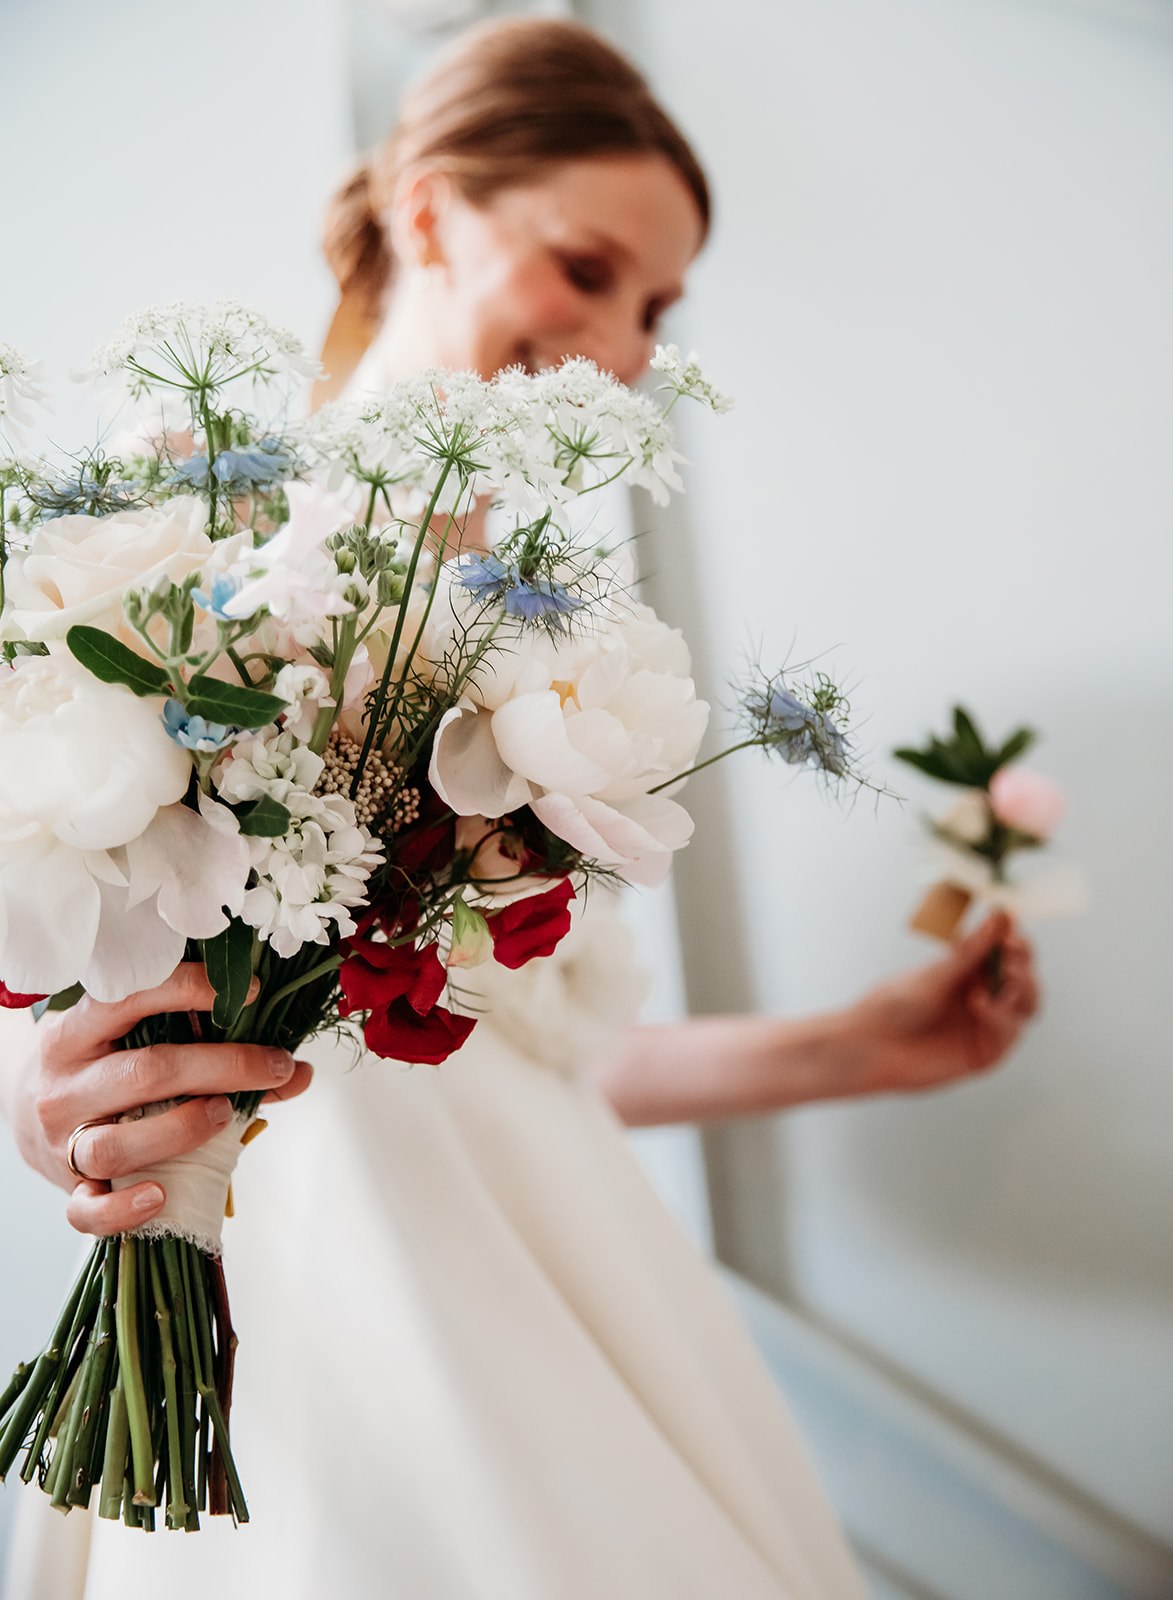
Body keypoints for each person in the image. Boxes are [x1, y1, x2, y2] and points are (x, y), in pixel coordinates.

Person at [0, 19, 1038, 1599]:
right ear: (428, 210)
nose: (618, 342)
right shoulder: (213, 518)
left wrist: (864, 1050)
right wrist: (40, 1089)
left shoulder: (556, 655)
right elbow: (65, 913)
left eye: (657, 307)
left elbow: (514, 1070)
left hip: (561, 1261)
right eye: (585, 268)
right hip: (335, 1287)